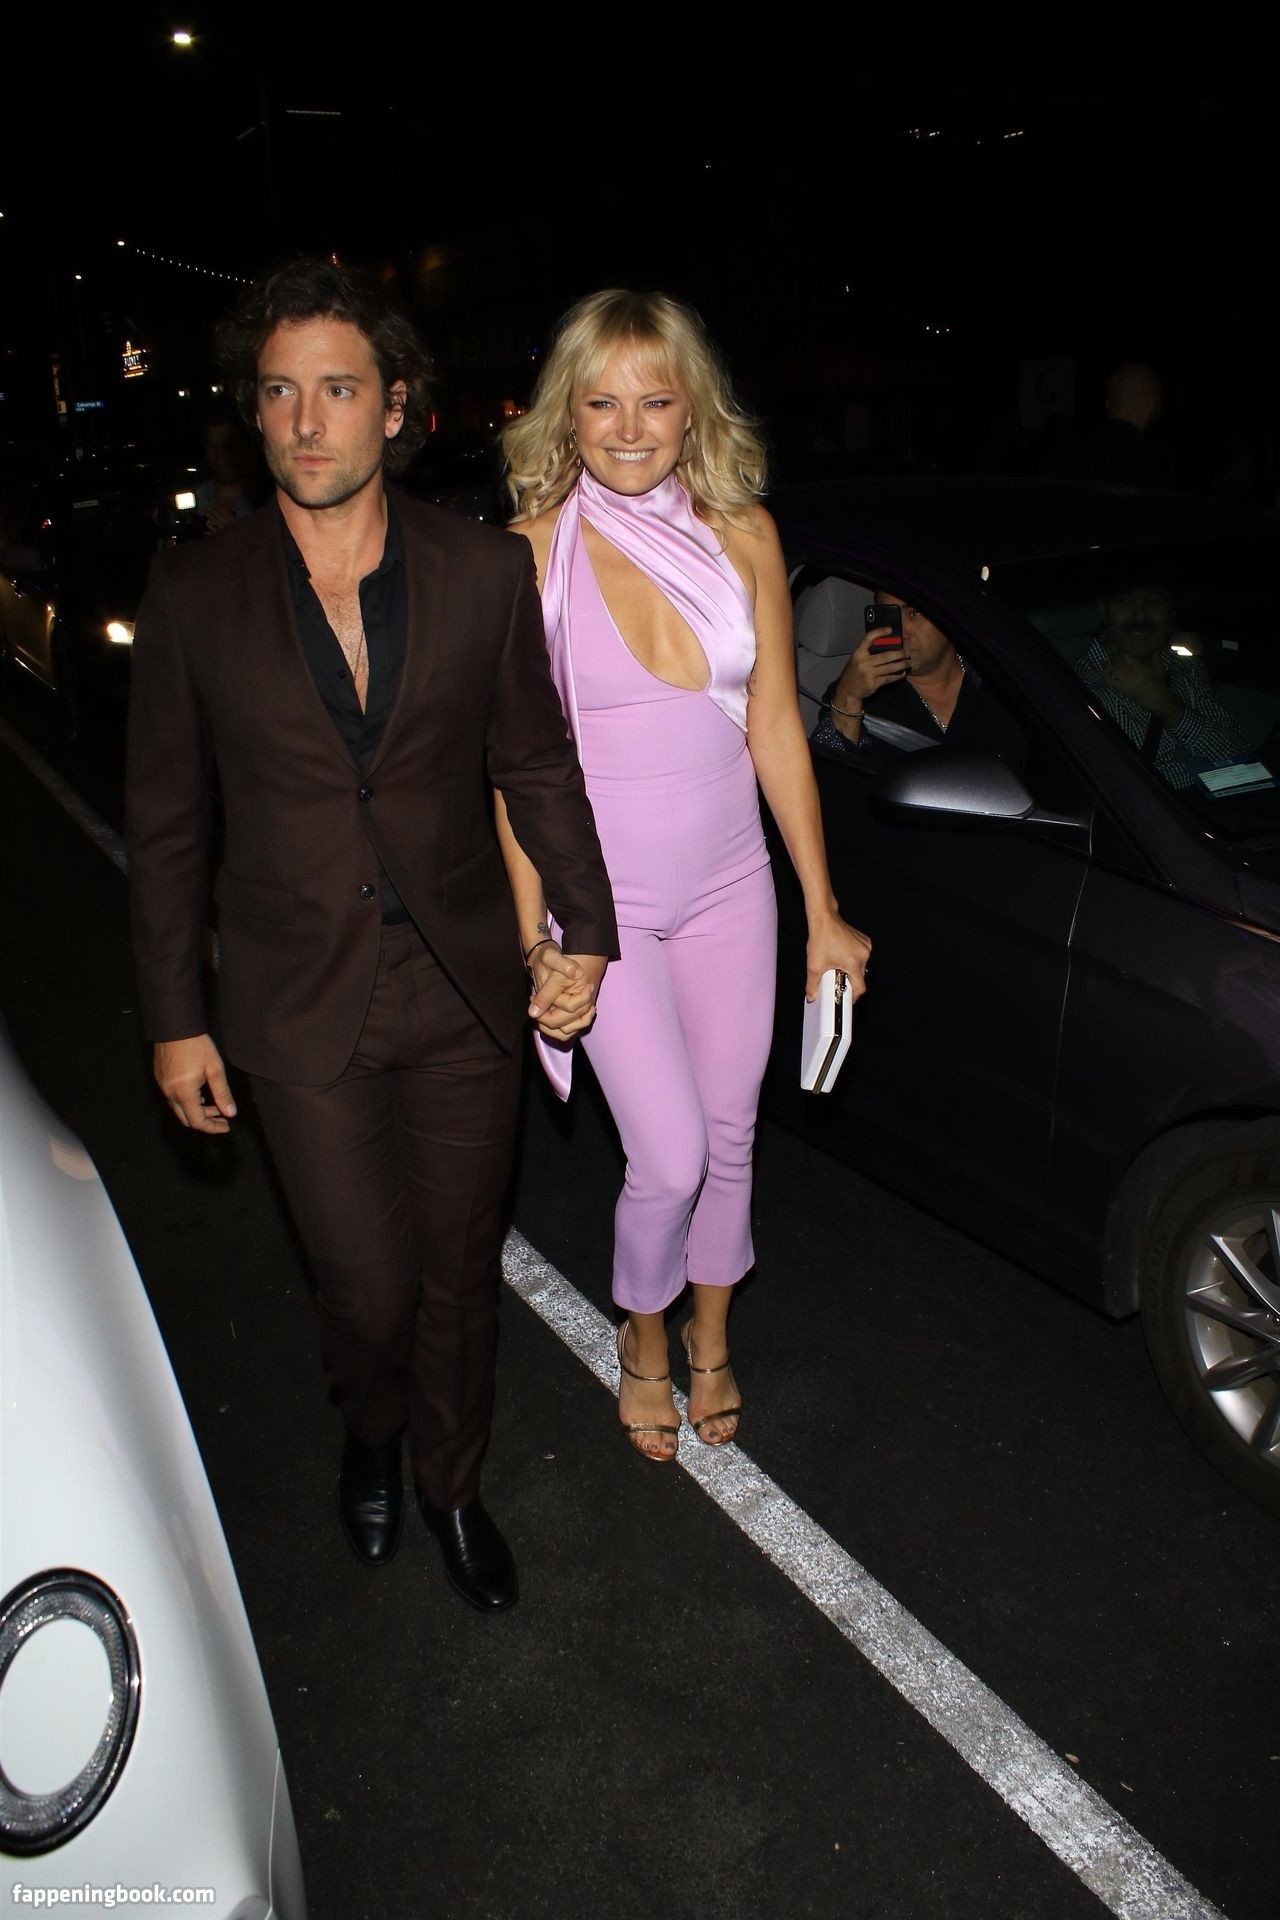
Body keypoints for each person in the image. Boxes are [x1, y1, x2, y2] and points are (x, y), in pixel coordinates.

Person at [126, 260, 618, 1611]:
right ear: (254, 411)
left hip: (460, 984)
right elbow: (166, 824)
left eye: (337, 389)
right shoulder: (193, 592)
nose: (306, 420)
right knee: (365, 1284)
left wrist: (586, 925)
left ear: (395, 406)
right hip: (293, 999)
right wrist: (174, 1019)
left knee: (459, 1272)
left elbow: (534, 760)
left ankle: (452, 1486)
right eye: (279, 392)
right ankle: (371, 1425)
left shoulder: (480, 569)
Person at [498, 290, 871, 1463]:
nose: (627, 428)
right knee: (664, 1158)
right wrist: (534, 939)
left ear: (690, 408)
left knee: (730, 1135)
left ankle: (711, 1337)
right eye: (600, 402)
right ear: (565, 414)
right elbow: (513, 771)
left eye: (654, 400)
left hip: (729, 886)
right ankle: (643, 1335)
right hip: (601, 909)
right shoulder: (527, 554)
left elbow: (774, 726)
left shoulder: (743, 532)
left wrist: (821, 909)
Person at [812, 593, 1026, 767]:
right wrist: (848, 698)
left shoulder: (1001, 682)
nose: (900, 632)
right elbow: (832, 783)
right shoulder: (859, 693)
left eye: (914, 613)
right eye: (888, 615)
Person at [1073, 583, 1248, 789]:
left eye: (1153, 601)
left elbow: (1243, 759)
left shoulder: (1187, 668)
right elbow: (1123, 789)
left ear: (1172, 612)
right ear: (1104, 611)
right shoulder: (1080, 688)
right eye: (1124, 601)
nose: (1139, 617)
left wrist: (1166, 704)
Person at [194, 407, 265, 532]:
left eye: (229, 446)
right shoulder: (195, 498)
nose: (220, 458)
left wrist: (235, 533)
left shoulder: (267, 500)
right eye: (212, 447)